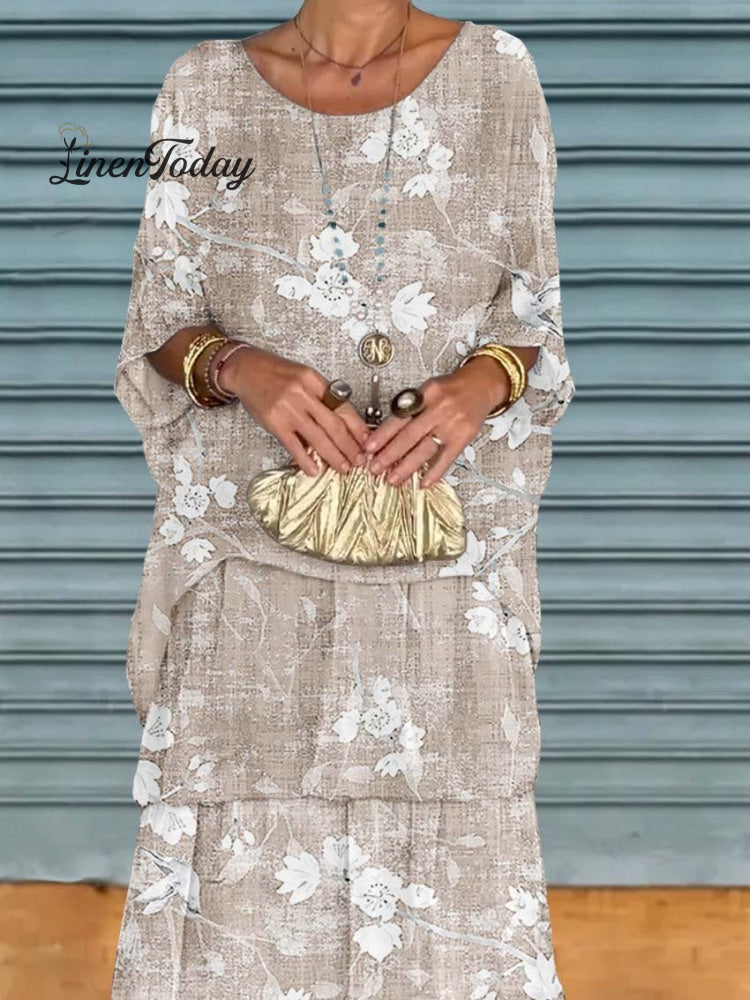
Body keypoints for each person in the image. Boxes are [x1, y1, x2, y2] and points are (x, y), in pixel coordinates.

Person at [109, 3, 575, 996]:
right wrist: (238, 366)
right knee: (241, 881)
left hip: (436, 571)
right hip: (252, 574)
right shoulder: (206, 87)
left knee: (454, 863)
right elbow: (159, 317)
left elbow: (533, 315)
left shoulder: (497, 73)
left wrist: (480, 383)